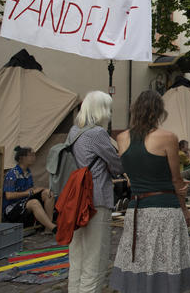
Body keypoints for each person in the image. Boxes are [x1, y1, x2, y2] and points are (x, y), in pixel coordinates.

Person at [110, 90, 190, 293]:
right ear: (159, 111)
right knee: (166, 260)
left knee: (141, 260)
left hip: (136, 210)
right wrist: (185, 209)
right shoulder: (168, 137)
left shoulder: (122, 138)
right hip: (165, 209)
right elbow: (176, 180)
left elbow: (130, 174)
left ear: (135, 110)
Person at [67, 91, 123, 293]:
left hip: (78, 197)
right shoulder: (97, 134)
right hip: (97, 196)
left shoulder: (74, 131)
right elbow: (117, 165)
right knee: (95, 256)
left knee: (78, 255)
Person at [3, 146, 56, 233]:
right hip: (12, 209)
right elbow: (9, 195)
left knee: (48, 193)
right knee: (34, 202)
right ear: (21, 158)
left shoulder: (28, 172)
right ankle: (53, 228)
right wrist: (30, 192)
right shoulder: (12, 173)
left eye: (34, 155)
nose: (34, 157)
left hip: (25, 203)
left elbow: (30, 190)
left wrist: (38, 189)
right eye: (31, 155)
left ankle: (48, 228)